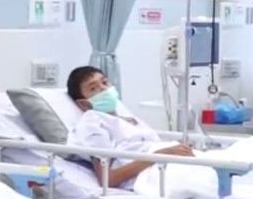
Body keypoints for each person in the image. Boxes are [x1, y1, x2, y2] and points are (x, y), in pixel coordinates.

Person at [66, 66, 194, 188]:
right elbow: (107, 179)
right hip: (151, 174)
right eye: (93, 88)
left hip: (164, 165)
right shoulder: (92, 121)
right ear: (83, 104)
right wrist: (159, 155)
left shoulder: (126, 119)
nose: (104, 88)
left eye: (104, 82)